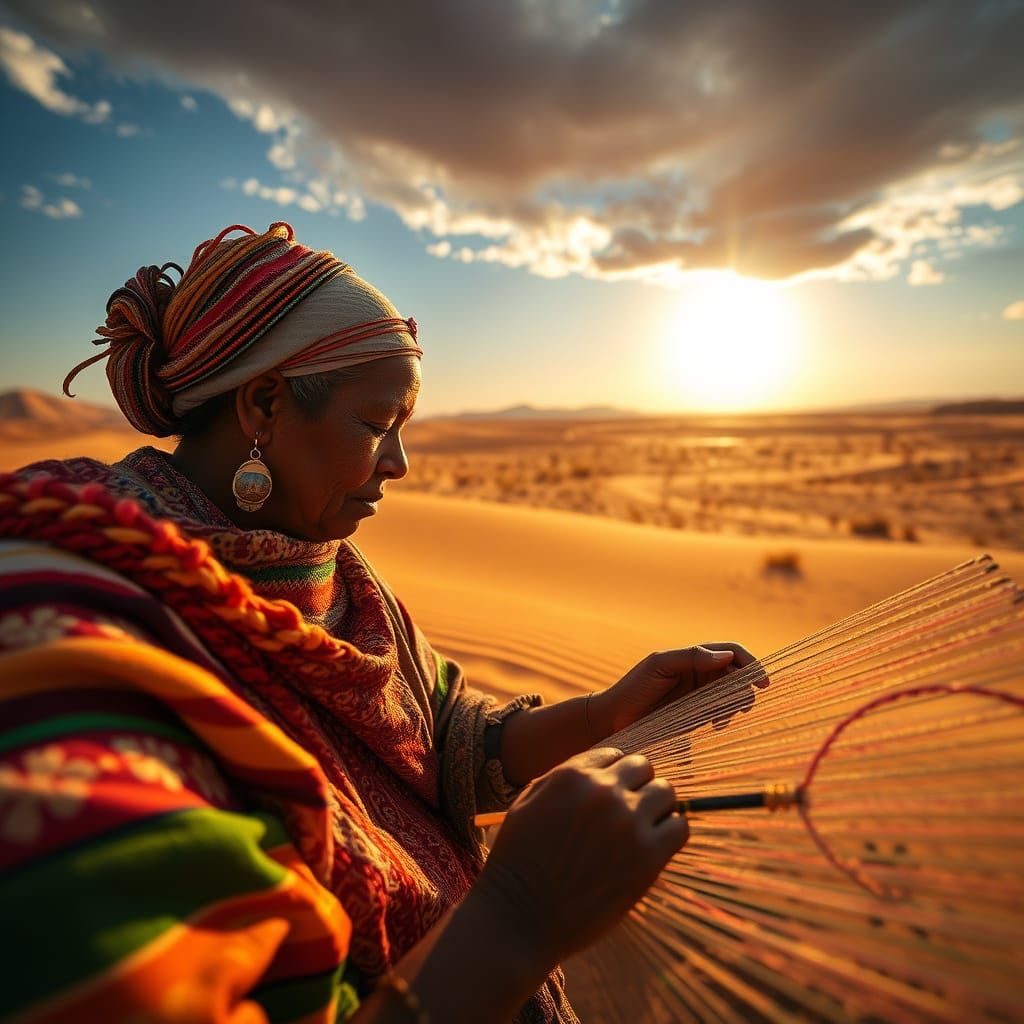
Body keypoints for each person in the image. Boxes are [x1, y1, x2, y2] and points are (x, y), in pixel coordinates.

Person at [0, 222, 754, 1023]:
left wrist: (604, 716)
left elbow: (444, 742)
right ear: (263, 404)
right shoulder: (74, 610)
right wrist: (519, 918)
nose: (398, 463)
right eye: (375, 425)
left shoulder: (322, 566)